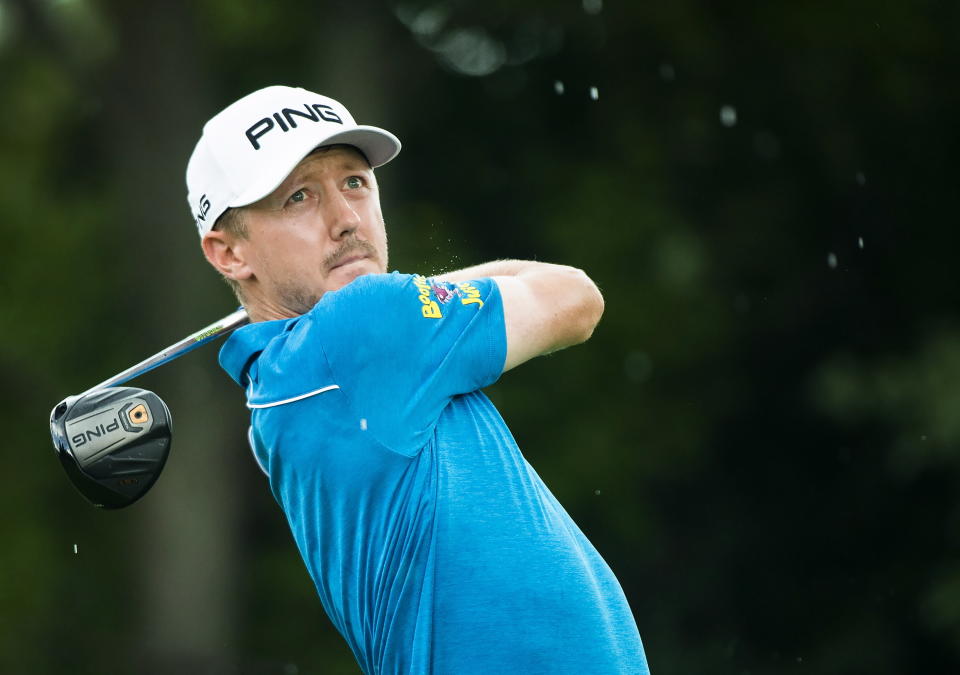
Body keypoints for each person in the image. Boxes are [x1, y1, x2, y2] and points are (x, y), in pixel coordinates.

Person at [186, 85, 649, 674]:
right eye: (298, 197)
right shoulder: (370, 325)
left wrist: (414, 301)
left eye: (354, 182)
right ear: (229, 254)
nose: (346, 220)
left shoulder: (280, 387)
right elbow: (576, 298)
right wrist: (413, 299)